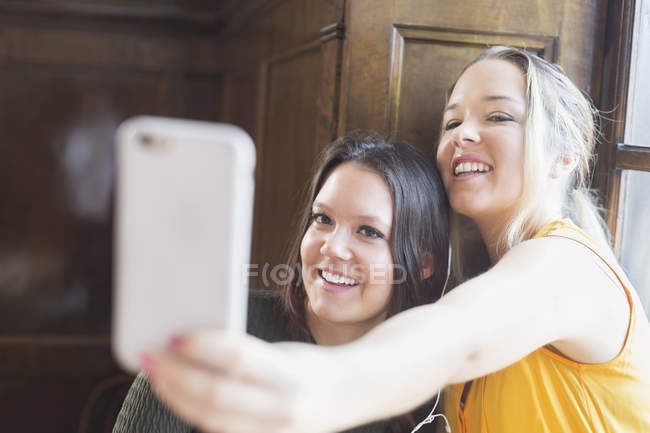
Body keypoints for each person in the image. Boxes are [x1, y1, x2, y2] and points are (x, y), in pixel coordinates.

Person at [136, 46, 650, 433]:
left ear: (565, 156)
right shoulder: (480, 284)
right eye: (452, 121)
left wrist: (316, 389)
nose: (462, 135)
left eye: (497, 116)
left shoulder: (571, 265)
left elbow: (457, 338)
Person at [113, 132, 450, 433]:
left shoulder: (428, 391)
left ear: (424, 264)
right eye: (323, 219)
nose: (331, 247)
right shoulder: (220, 323)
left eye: (368, 231)